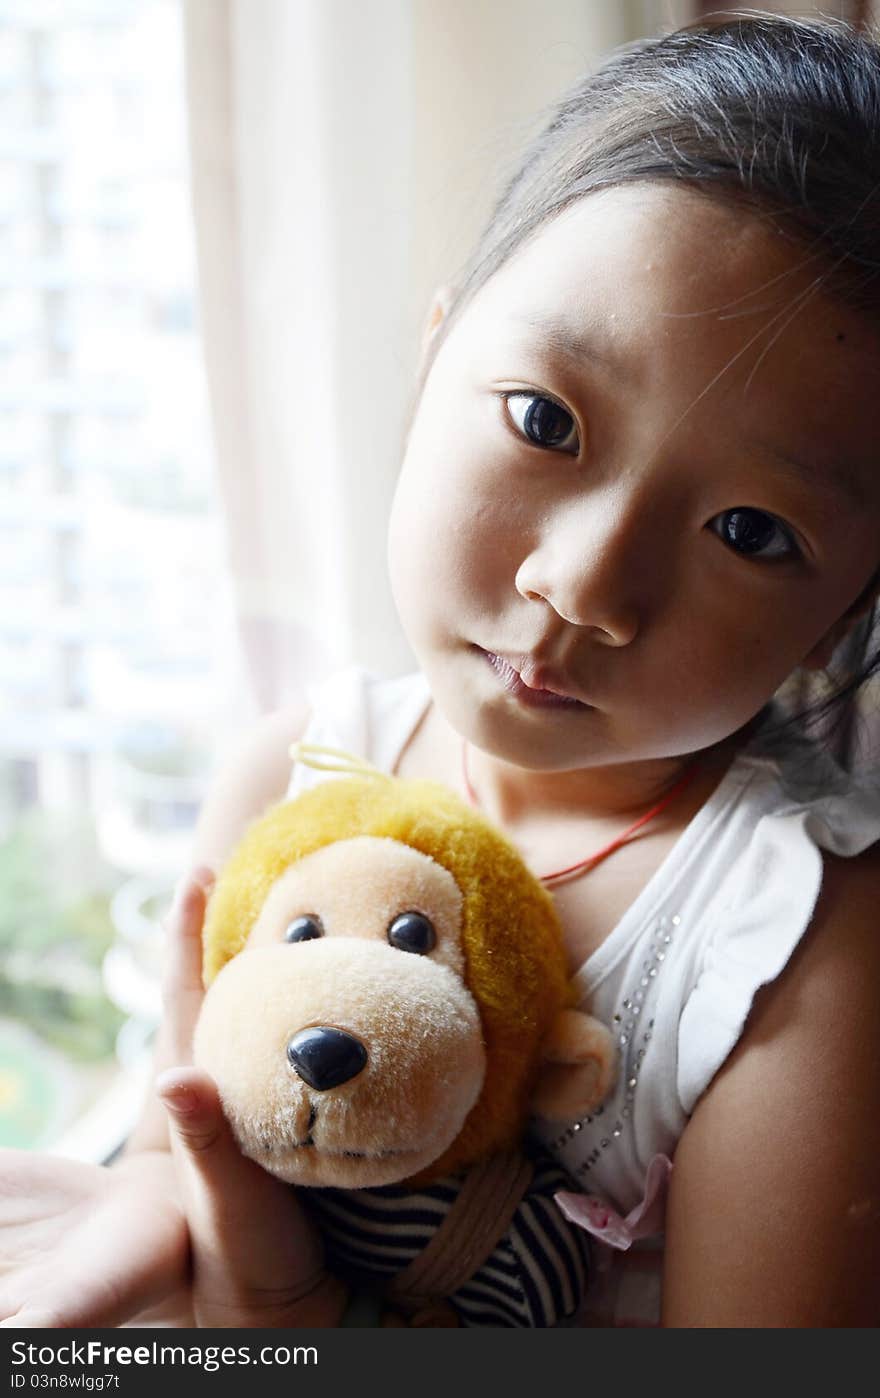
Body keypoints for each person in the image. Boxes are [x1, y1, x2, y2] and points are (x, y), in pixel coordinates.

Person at [3, 11, 880, 1328]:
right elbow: (185, 1142)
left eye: (750, 532)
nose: (583, 584)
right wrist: (154, 1211)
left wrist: (293, 1323)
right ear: (430, 362)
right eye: (547, 419)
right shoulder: (295, 769)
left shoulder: (796, 950)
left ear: (840, 613)